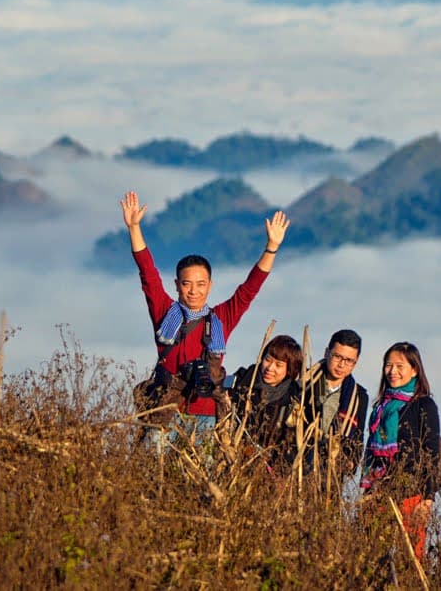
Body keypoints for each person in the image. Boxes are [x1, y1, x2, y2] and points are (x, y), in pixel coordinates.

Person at [121, 190, 290, 439]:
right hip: (164, 412)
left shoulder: (221, 318)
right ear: (177, 284)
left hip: (207, 415)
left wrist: (271, 248)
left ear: (210, 285)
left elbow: (249, 290)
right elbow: (148, 273)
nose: (193, 291)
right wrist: (134, 228)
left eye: (201, 284)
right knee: (153, 475)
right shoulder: (165, 312)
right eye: (187, 283)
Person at [359, 341, 441, 561]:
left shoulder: (423, 405)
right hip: (378, 492)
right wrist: (368, 489)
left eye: (399, 366)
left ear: (415, 370)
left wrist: (428, 497)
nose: (392, 371)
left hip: (411, 493)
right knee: (372, 555)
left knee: (411, 557)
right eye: (388, 365)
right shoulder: (381, 407)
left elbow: (432, 451)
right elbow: (370, 452)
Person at [290, 329, 369, 490]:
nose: (342, 365)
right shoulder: (303, 381)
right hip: (294, 467)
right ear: (327, 353)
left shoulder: (358, 396)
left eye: (349, 360)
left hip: (329, 478)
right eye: (338, 356)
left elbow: (357, 439)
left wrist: (348, 462)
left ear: (356, 361)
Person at [227, 334, 303, 471]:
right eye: (268, 360)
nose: (270, 368)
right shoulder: (241, 381)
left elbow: (290, 445)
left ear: (290, 370)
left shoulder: (293, 401)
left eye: (279, 365)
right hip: (231, 460)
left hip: (266, 471)